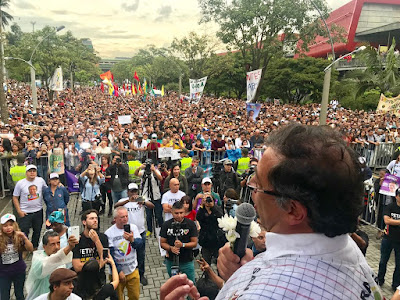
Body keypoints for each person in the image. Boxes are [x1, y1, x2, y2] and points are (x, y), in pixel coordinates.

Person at [204, 124, 381, 299]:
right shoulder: (344, 246)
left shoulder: (262, 295)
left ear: (294, 211)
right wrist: (242, 278)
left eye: (258, 185)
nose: (252, 191)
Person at [114, 183, 154, 286]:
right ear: (127, 192)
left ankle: (141, 275)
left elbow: (152, 206)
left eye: (135, 191)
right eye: (131, 191)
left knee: (141, 255)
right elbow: (115, 206)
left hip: (140, 233)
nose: (133, 193)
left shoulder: (141, 199)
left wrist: (143, 201)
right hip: (126, 234)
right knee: (127, 253)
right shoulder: (123, 201)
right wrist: (128, 200)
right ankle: (128, 273)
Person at [26, 230, 79, 300]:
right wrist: (69, 247)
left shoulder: (61, 260)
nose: (57, 247)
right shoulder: (38, 260)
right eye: (52, 244)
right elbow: (51, 262)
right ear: (44, 247)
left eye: (58, 243)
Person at [105, 207, 142, 300]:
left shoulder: (133, 228)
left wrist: (132, 240)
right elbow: (110, 255)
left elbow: (140, 245)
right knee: (117, 298)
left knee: (135, 296)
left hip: (132, 270)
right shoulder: (109, 233)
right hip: (117, 274)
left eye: (126, 216)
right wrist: (118, 271)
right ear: (115, 219)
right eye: (122, 217)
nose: (125, 219)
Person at [160, 201, 198, 283]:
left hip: (187, 261)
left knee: (191, 285)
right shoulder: (166, 225)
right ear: (172, 212)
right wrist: (171, 248)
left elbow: (194, 243)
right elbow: (162, 243)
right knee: (174, 286)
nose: (179, 215)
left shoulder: (190, 224)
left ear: (184, 211)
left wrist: (183, 245)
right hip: (171, 261)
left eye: (181, 213)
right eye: (176, 213)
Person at [12, 164, 47, 249]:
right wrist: (19, 211)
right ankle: (24, 249)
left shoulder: (40, 180)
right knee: (24, 232)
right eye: (30, 171)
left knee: (37, 230)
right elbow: (15, 197)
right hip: (25, 212)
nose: (32, 173)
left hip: (38, 210)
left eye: (34, 171)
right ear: (26, 173)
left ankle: (34, 247)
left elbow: (47, 190)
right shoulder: (20, 183)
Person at [0, 213, 33, 300]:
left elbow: (30, 248)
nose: (8, 228)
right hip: (3, 272)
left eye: (11, 225)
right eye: (5, 226)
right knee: (4, 296)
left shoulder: (19, 236)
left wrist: (24, 238)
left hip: (18, 270)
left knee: (19, 294)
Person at [72, 209, 108, 284]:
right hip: (82, 281)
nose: (95, 221)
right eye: (92, 218)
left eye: (96, 218)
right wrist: (97, 264)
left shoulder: (103, 238)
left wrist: (97, 241)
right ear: (84, 222)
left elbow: (105, 259)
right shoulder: (78, 240)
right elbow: (77, 267)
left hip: (99, 279)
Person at [377, 188, 400, 290]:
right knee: (383, 261)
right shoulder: (390, 206)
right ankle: (380, 279)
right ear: (396, 196)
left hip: (399, 241)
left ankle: (396, 284)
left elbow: (390, 220)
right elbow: (386, 220)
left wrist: (393, 221)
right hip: (388, 238)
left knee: (399, 264)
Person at [135, 159, 163, 236]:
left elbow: (160, 178)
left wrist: (153, 170)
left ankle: (161, 228)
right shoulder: (143, 172)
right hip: (145, 196)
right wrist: (139, 167)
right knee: (148, 215)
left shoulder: (156, 171)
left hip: (156, 196)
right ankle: (149, 229)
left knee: (158, 214)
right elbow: (136, 174)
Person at [197, 192, 224, 265]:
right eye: (205, 199)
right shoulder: (202, 210)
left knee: (219, 261)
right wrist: (202, 206)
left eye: (209, 199)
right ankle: (206, 275)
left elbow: (221, 216)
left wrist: (213, 206)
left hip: (216, 239)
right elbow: (198, 217)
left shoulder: (217, 208)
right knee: (206, 261)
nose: (208, 201)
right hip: (205, 239)